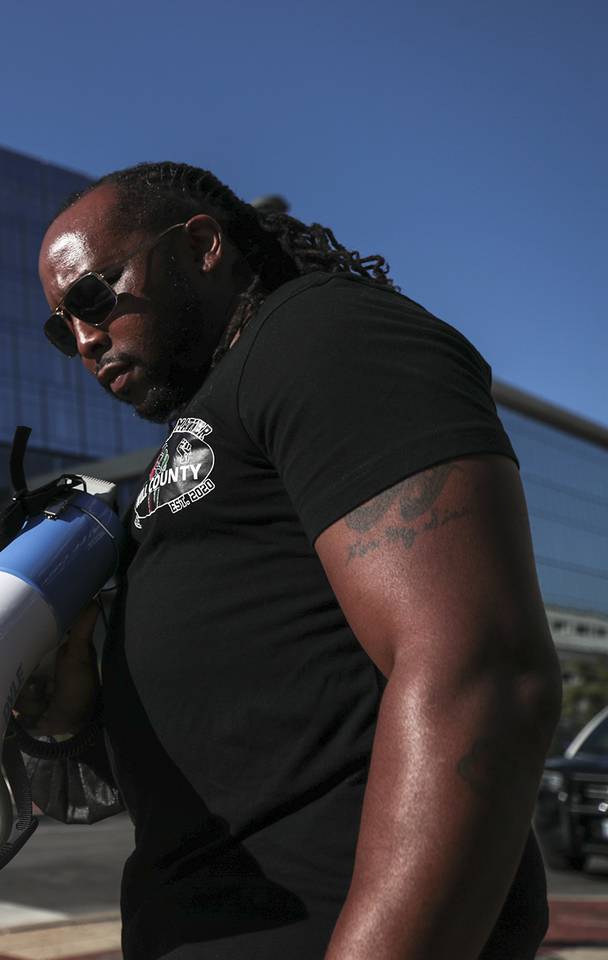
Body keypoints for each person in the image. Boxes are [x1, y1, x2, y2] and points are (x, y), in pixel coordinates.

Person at [30, 162, 561, 959]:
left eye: (94, 297)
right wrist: (78, 708)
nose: (82, 337)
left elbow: (480, 672)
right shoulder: (213, 420)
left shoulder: (326, 336)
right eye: (59, 325)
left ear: (203, 245)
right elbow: (255, 733)